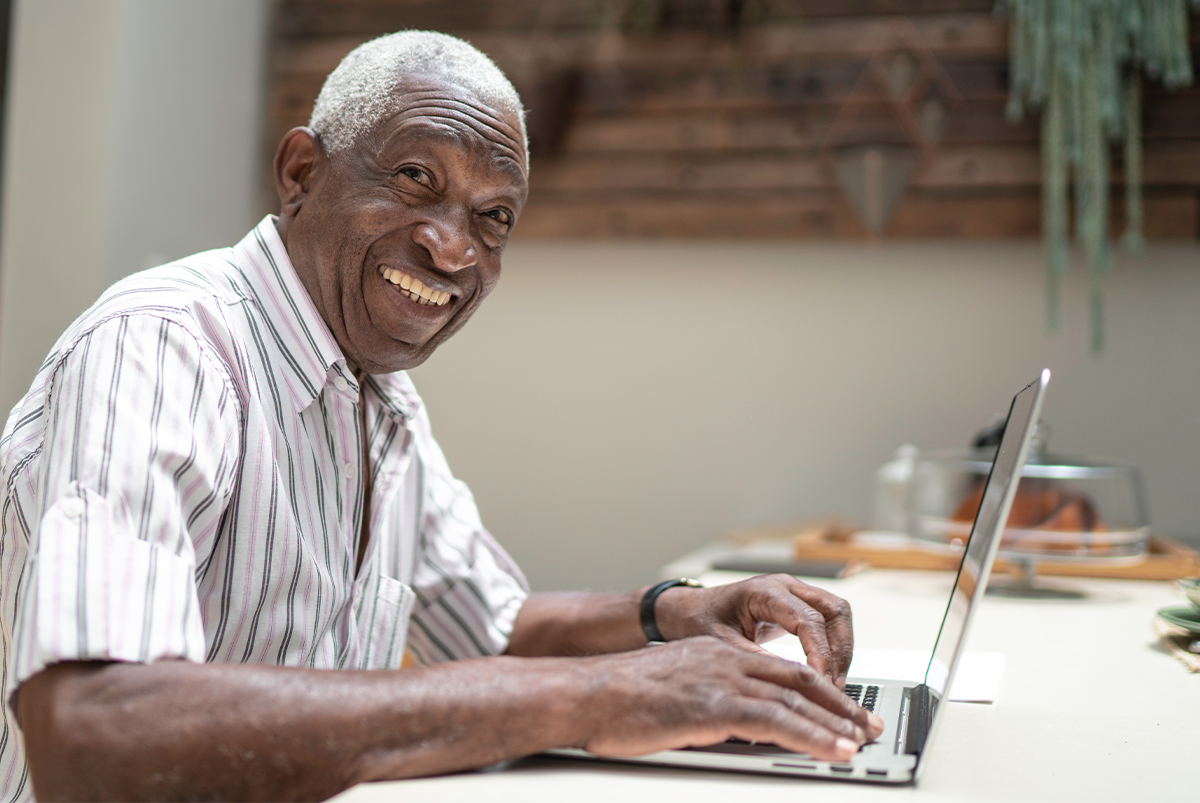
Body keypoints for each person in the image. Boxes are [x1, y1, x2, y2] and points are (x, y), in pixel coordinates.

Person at [0, 31, 882, 802]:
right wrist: (603, 694)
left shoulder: (376, 392)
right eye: (416, 177)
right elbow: (91, 732)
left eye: (492, 217)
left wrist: (675, 613)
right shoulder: (165, 346)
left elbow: (494, 623)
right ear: (302, 173)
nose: (454, 246)